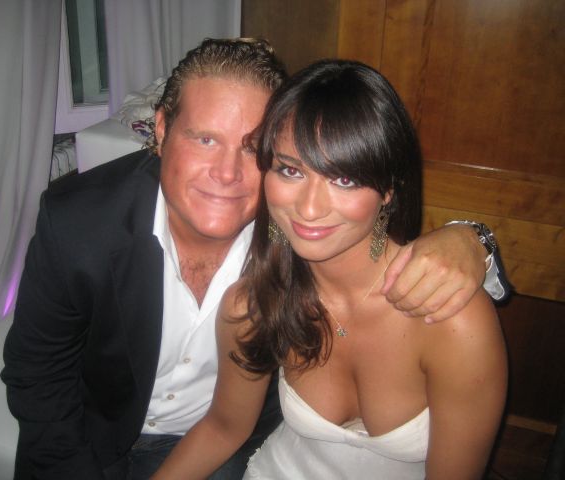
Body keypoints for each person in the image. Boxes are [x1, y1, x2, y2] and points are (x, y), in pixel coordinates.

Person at [1, 39, 506, 480]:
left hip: (228, 449)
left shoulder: (290, 237)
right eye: (205, 139)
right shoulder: (82, 224)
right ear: (161, 129)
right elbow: (38, 377)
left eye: (250, 148)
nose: (226, 174)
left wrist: (473, 238)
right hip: (94, 438)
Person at [152, 59, 508, 479]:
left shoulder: (451, 320)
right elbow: (222, 428)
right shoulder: (253, 305)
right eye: (290, 170)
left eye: (343, 179)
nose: (309, 208)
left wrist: (474, 237)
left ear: (388, 189)